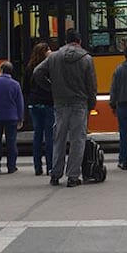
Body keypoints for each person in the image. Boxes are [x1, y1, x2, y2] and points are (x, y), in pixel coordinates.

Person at [33, 28, 97, 188]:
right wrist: (91, 104)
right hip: (79, 103)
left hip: (60, 103)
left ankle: (55, 174)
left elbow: (37, 72)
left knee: (59, 139)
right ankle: (73, 176)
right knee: (77, 140)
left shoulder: (54, 57)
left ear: (66, 41)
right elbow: (92, 85)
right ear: (79, 41)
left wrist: (51, 88)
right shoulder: (86, 59)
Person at [24, 42, 54, 176]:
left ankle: (37, 167)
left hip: (34, 104)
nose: (51, 51)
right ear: (44, 52)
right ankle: (50, 166)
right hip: (48, 104)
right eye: (48, 49)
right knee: (49, 136)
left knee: (37, 135)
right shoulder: (49, 66)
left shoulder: (29, 67)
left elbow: (25, 87)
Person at [0, 61, 24, 175]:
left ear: (1, 70)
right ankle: (11, 166)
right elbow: (19, 103)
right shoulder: (15, 84)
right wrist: (20, 118)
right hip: (11, 117)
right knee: (11, 142)